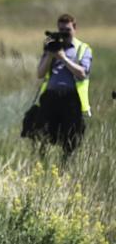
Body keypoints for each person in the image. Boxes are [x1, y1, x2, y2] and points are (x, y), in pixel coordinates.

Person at [24, 14, 93, 157]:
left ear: (75, 28)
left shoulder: (82, 49)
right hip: (51, 97)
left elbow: (82, 73)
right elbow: (40, 73)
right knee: (42, 133)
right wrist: (50, 55)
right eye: (61, 30)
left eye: (67, 30)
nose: (64, 33)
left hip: (71, 98)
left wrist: (63, 58)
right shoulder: (51, 47)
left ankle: (65, 166)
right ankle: (42, 162)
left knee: (71, 138)